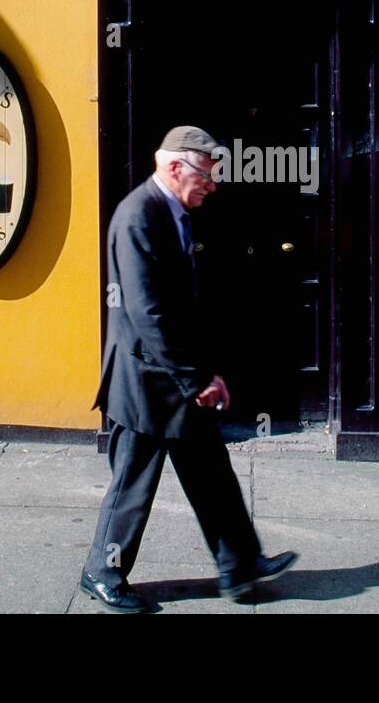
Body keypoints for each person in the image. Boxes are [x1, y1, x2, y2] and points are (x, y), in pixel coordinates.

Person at [80, 125, 299, 613]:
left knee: (210, 472)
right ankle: (101, 571)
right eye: (206, 173)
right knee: (133, 482)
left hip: (173, 376)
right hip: (143, 381)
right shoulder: (139, 215)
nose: (212, 184)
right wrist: (196, 378)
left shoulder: (172, 212)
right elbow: (148, 312)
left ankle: (239, 564)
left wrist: (202, 371)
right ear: (174, 166)